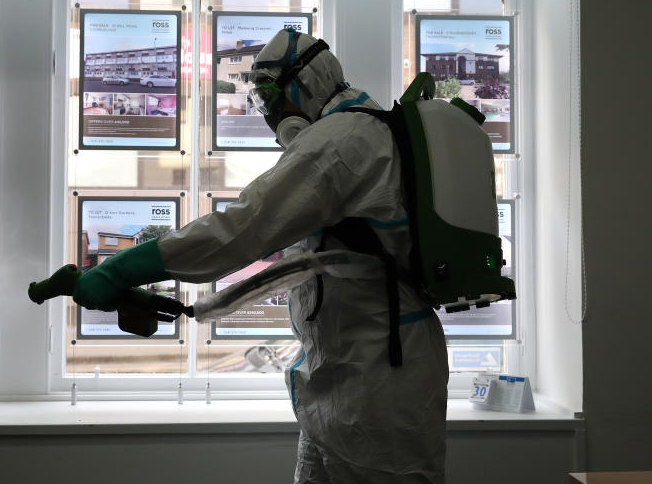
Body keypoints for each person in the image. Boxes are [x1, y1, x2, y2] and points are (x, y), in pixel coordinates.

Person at [73, 30, 449, 483]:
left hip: (378, 379)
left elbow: (241, 229)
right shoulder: (353, 131)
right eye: (259, 98)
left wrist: (122, 267)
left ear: (306, 83)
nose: (269, 113)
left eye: (270, 94)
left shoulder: (344, 140)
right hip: (343, 371)